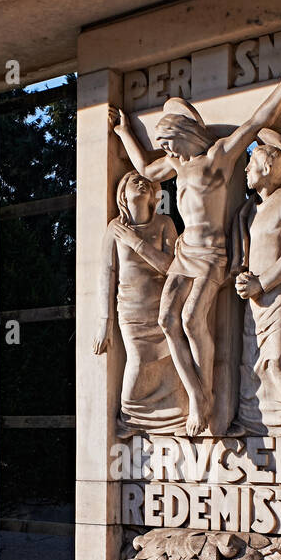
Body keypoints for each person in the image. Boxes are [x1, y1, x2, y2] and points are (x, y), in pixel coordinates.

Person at [109, 59, 281, 436]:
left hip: (211, 256)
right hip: (184, 253)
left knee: (190, 320)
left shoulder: (217, 159)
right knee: (167, 321)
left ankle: (204, 399)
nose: (168, 151)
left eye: (170, 143)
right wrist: (123, 133)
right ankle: (196, 395)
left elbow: (251, 124)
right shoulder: (177, 166)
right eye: (164, 146)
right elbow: (145, 170)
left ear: (184, 134)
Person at [93, 169, 186, 433]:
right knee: (139, 360)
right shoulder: (115, 228)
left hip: (164, 308)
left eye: (146, 182)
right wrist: (104, 323)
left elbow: (174, 267)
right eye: (135, 181)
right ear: (122, 193)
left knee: (170, 364)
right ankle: (130, 417)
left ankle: (173, 419)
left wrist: (137, 244)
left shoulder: (165, 224)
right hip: (131, 309)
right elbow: (106, 275)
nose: (142, 185)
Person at [230, 129, 281, 435]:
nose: (246, 168)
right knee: (251, 367)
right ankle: (252, 425)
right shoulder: (249, 211)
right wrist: (244, 279)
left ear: (268, 165)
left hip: (279, 296)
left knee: (278, 362)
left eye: (251, 162)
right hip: (253, 301)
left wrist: (263, 282)